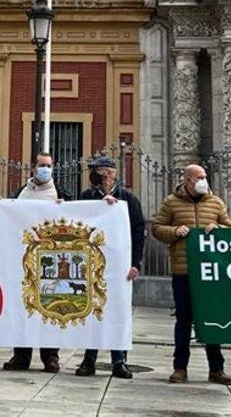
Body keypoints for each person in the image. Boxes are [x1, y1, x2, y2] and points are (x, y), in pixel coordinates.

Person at [150, 164, 231, 385]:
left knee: (212, 319)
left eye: (205, 176)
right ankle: (180, 368)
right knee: (183, 320)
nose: (203, 180)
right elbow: (157, 228)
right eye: (199, 177)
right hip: (183, 271)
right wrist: (174, 232)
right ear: (187, 180)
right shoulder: (171, 202)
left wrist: (219, 229)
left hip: (210, 272)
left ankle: (217, 368)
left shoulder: (216, 202)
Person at [75, 155, 144, 379]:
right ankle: (89, 359)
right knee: (92, 310)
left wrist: (136, 263)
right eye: (94, 171)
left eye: (101, 171)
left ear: (112, 173)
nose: (97, 175)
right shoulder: (87, 196)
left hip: (120, 265)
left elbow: (138, 232)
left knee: (118, 312)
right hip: (92, 264)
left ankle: (119, 360)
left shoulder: (128, 199)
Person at [5, 152, 62, 373]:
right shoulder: (22, 192)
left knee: (50, 306)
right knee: (22, 308)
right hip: (23, 259)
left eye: (48, 165)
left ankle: (51, 357)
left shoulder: (61, 193)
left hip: (49, 260)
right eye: (41, 165)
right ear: (33, 168)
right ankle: (21, 356)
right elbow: (9, 213)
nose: (45, 169)